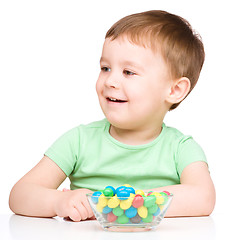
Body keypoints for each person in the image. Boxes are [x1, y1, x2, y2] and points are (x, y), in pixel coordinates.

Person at [9, 10, 215, 222]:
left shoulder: (181, 148)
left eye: (128, 72)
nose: (110, 81)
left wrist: (131, 202)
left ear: (175, 90)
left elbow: (204, 197)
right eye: (105, 68)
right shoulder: (79, 141)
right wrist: (57, 202)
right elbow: (20, 194)